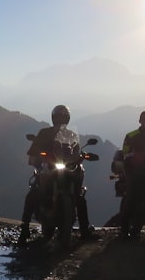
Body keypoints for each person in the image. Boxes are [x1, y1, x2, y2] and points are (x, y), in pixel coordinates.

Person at [18, 104, 97, 244]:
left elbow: (76, 149)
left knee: (80, 197)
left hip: (66, 167)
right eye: (58, 116)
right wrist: (37, 151)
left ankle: (84, 229)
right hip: (48, 166)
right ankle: (24, 227)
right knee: (33, 193)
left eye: (64, 117)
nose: (61, 119)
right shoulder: (44, 132)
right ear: (53, 118)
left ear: (67, 119)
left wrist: (82, 155)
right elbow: (33, 150)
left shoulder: (71, 135)